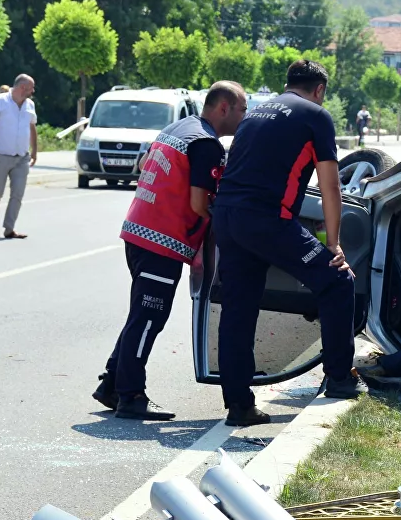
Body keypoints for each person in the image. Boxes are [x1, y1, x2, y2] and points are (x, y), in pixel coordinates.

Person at [211, 60, 363, 427]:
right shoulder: (316, 116)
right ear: (320, 89)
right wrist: (333, 244)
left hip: (227, 217)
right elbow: (330, 187)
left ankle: (239, 405)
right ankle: (341, 378)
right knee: (337, 279)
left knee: (238, 308)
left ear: (288, 83)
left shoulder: (258, 110)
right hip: (265, 219)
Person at [92, 81, 247, 420]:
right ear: (224, 108)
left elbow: (146, 164)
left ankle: (111, 384)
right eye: (242, 109)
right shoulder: (206, 143)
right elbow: (198, 202)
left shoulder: (179, 128)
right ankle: (131, 395)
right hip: (161, 241)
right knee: (149, 317)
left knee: (141, 314)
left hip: (139, 232)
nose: (244, 117)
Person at [0, 74, 38, 238]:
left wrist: (34, 150)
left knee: (17, 194)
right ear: (22, 88)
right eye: (31, 88)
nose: (33, 91)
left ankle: (9, 229)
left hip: (21, 157)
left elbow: (32, 127)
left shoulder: (30, 105)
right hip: (0, 155)